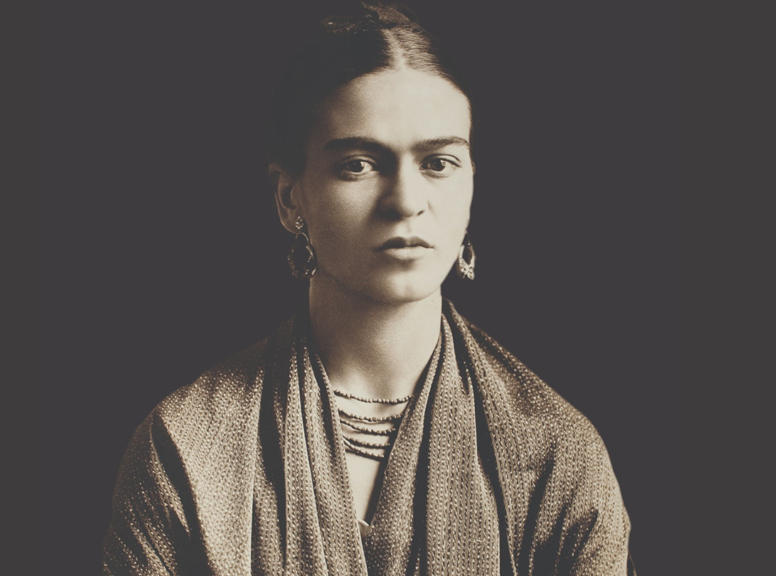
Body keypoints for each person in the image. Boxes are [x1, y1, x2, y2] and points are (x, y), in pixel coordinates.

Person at [102, 3, 633, 575]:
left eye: (438, 162)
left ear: (472, 182)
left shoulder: (556, 455)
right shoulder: (185, 449)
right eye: (359, 164)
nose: (406, 201)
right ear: (289, 198)